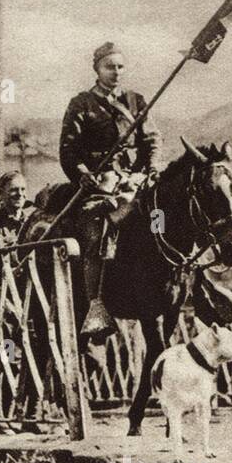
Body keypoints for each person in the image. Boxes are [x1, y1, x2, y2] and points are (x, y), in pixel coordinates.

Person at [59, 41, 163, 338]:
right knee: (95, 229)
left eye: (120, 67)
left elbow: (153, 140)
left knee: (165, 217)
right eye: (109, 67)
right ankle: (96, 304)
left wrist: (152, 167)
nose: (116, 72)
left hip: (136, 180)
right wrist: (82, 174)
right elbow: (69, 150)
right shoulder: (82, 104)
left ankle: (193, 284)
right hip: (101, 184)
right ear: (97, 69)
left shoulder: (136, 101)